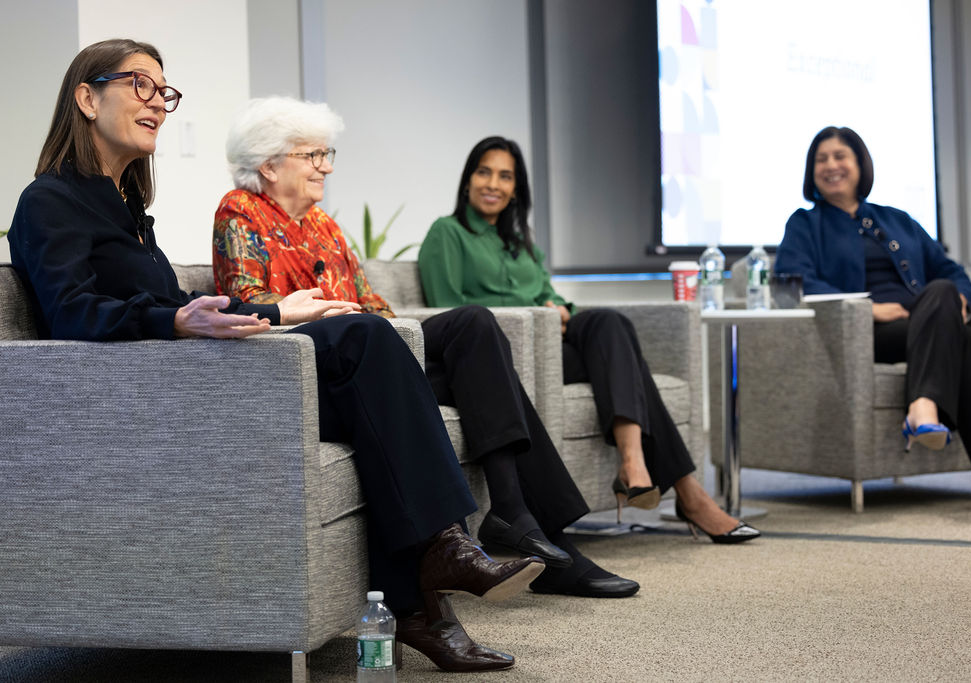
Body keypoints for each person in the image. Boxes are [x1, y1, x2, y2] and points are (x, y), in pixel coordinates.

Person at [8, 39, 546, 674]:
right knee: (366, 342)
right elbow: (73, 312)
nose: (158, 103)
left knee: (367, 356)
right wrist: (176, 321)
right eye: (141, 86)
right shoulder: (48, 202)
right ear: (86, 97)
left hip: (190, 372)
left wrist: (277, 312)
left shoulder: (128, 209)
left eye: (165, 92)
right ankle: (441, 558)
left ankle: (429, 592)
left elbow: (180, 301)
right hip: (152, 396)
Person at [212, 97, 639, 598]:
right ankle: (536, 531)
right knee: (477, 359)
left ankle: (518, 518)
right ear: (268, 164)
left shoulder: (324, 226)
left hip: (375, 354)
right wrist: (325, 311)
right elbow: (248, 301)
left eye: (327, 154)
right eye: (313, 156)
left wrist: (387, 330)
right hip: (317, 369)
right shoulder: (240, 211)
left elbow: (372, 301)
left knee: (474, 330)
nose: (326, 166)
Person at [418, 136, 761, 543]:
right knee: (627, 363)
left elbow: (552, 293)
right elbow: (449, 316)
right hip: (510, 355)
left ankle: (634, 463)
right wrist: (540, 316)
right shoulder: (447, 233)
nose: (493, 183)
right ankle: (689, 493)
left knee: (609, 324)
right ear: (467, 180)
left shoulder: (520, 240)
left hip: (552, 344)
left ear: (516, 190)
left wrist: (557, 307)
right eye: (484, 172)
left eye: (505, 176)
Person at [774, 125, 971, 513]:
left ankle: (926, 409)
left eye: (840, 156)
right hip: (867, 332)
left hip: (925, 323)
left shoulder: (898, 219)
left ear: (860, 164)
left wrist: (958, 299)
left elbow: (951, 269)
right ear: (812, 172)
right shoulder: (805, 224)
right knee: (960, 335)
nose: (831, 165)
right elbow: (793, 280)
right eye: (821, 159)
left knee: (943, 292)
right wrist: (869, 309)